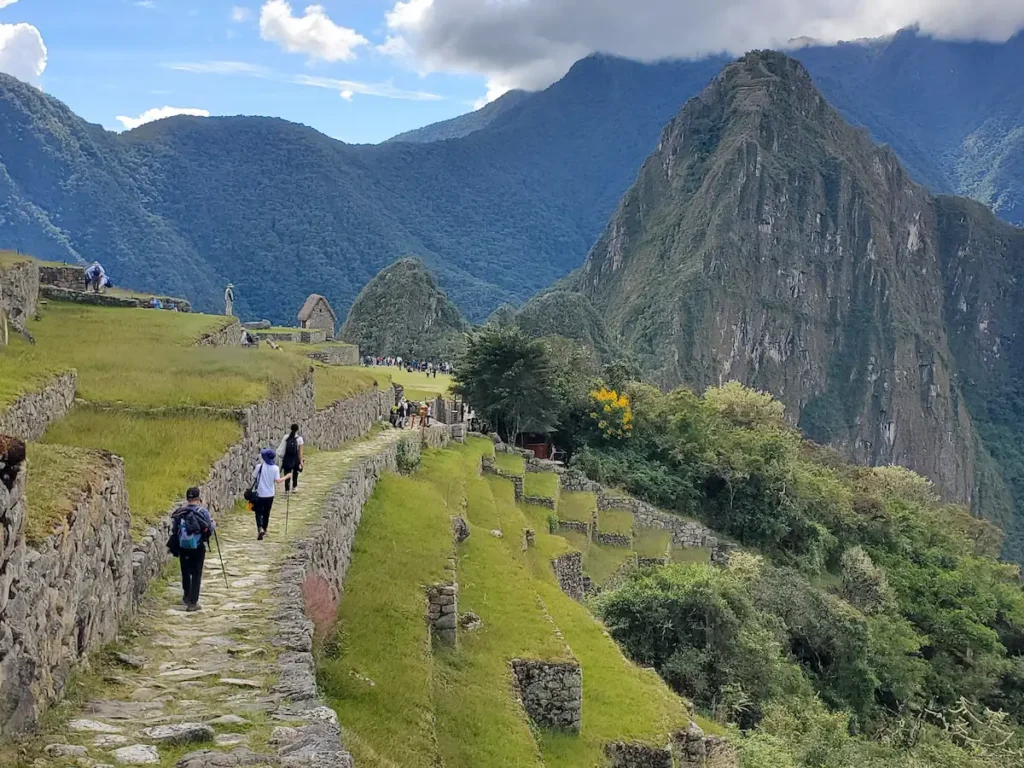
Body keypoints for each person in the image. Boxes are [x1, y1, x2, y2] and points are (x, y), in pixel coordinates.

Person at [167, 487, 215, 612]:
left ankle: (186, 596)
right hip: (198, 547)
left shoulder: (180, 512)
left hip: (183, 547)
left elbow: (174, 530)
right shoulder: (203, 512)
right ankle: (193, 603)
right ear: (199, 499)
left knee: (185, 572)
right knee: (196, 573)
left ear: (187, 499)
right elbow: (209, 528)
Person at [251, 448, 291, 540]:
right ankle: (265, 529)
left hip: (260, 494)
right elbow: (278, 481)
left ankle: (260, 528)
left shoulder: (259, 467)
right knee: (266, 512)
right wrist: (287, 476)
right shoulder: (276, 468)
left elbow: (254, 476)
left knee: (258, 512)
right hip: (270, 494)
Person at [277, 424, 304, 494]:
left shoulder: (286, 437)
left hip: (287, 458)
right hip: (295, 459)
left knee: (287, 473)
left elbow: (283, 447)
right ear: (297, 429)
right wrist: (301, 461)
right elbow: (300, 452)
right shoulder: (300, 439)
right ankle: (294, 487)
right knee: (295, 473)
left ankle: (287, 489)